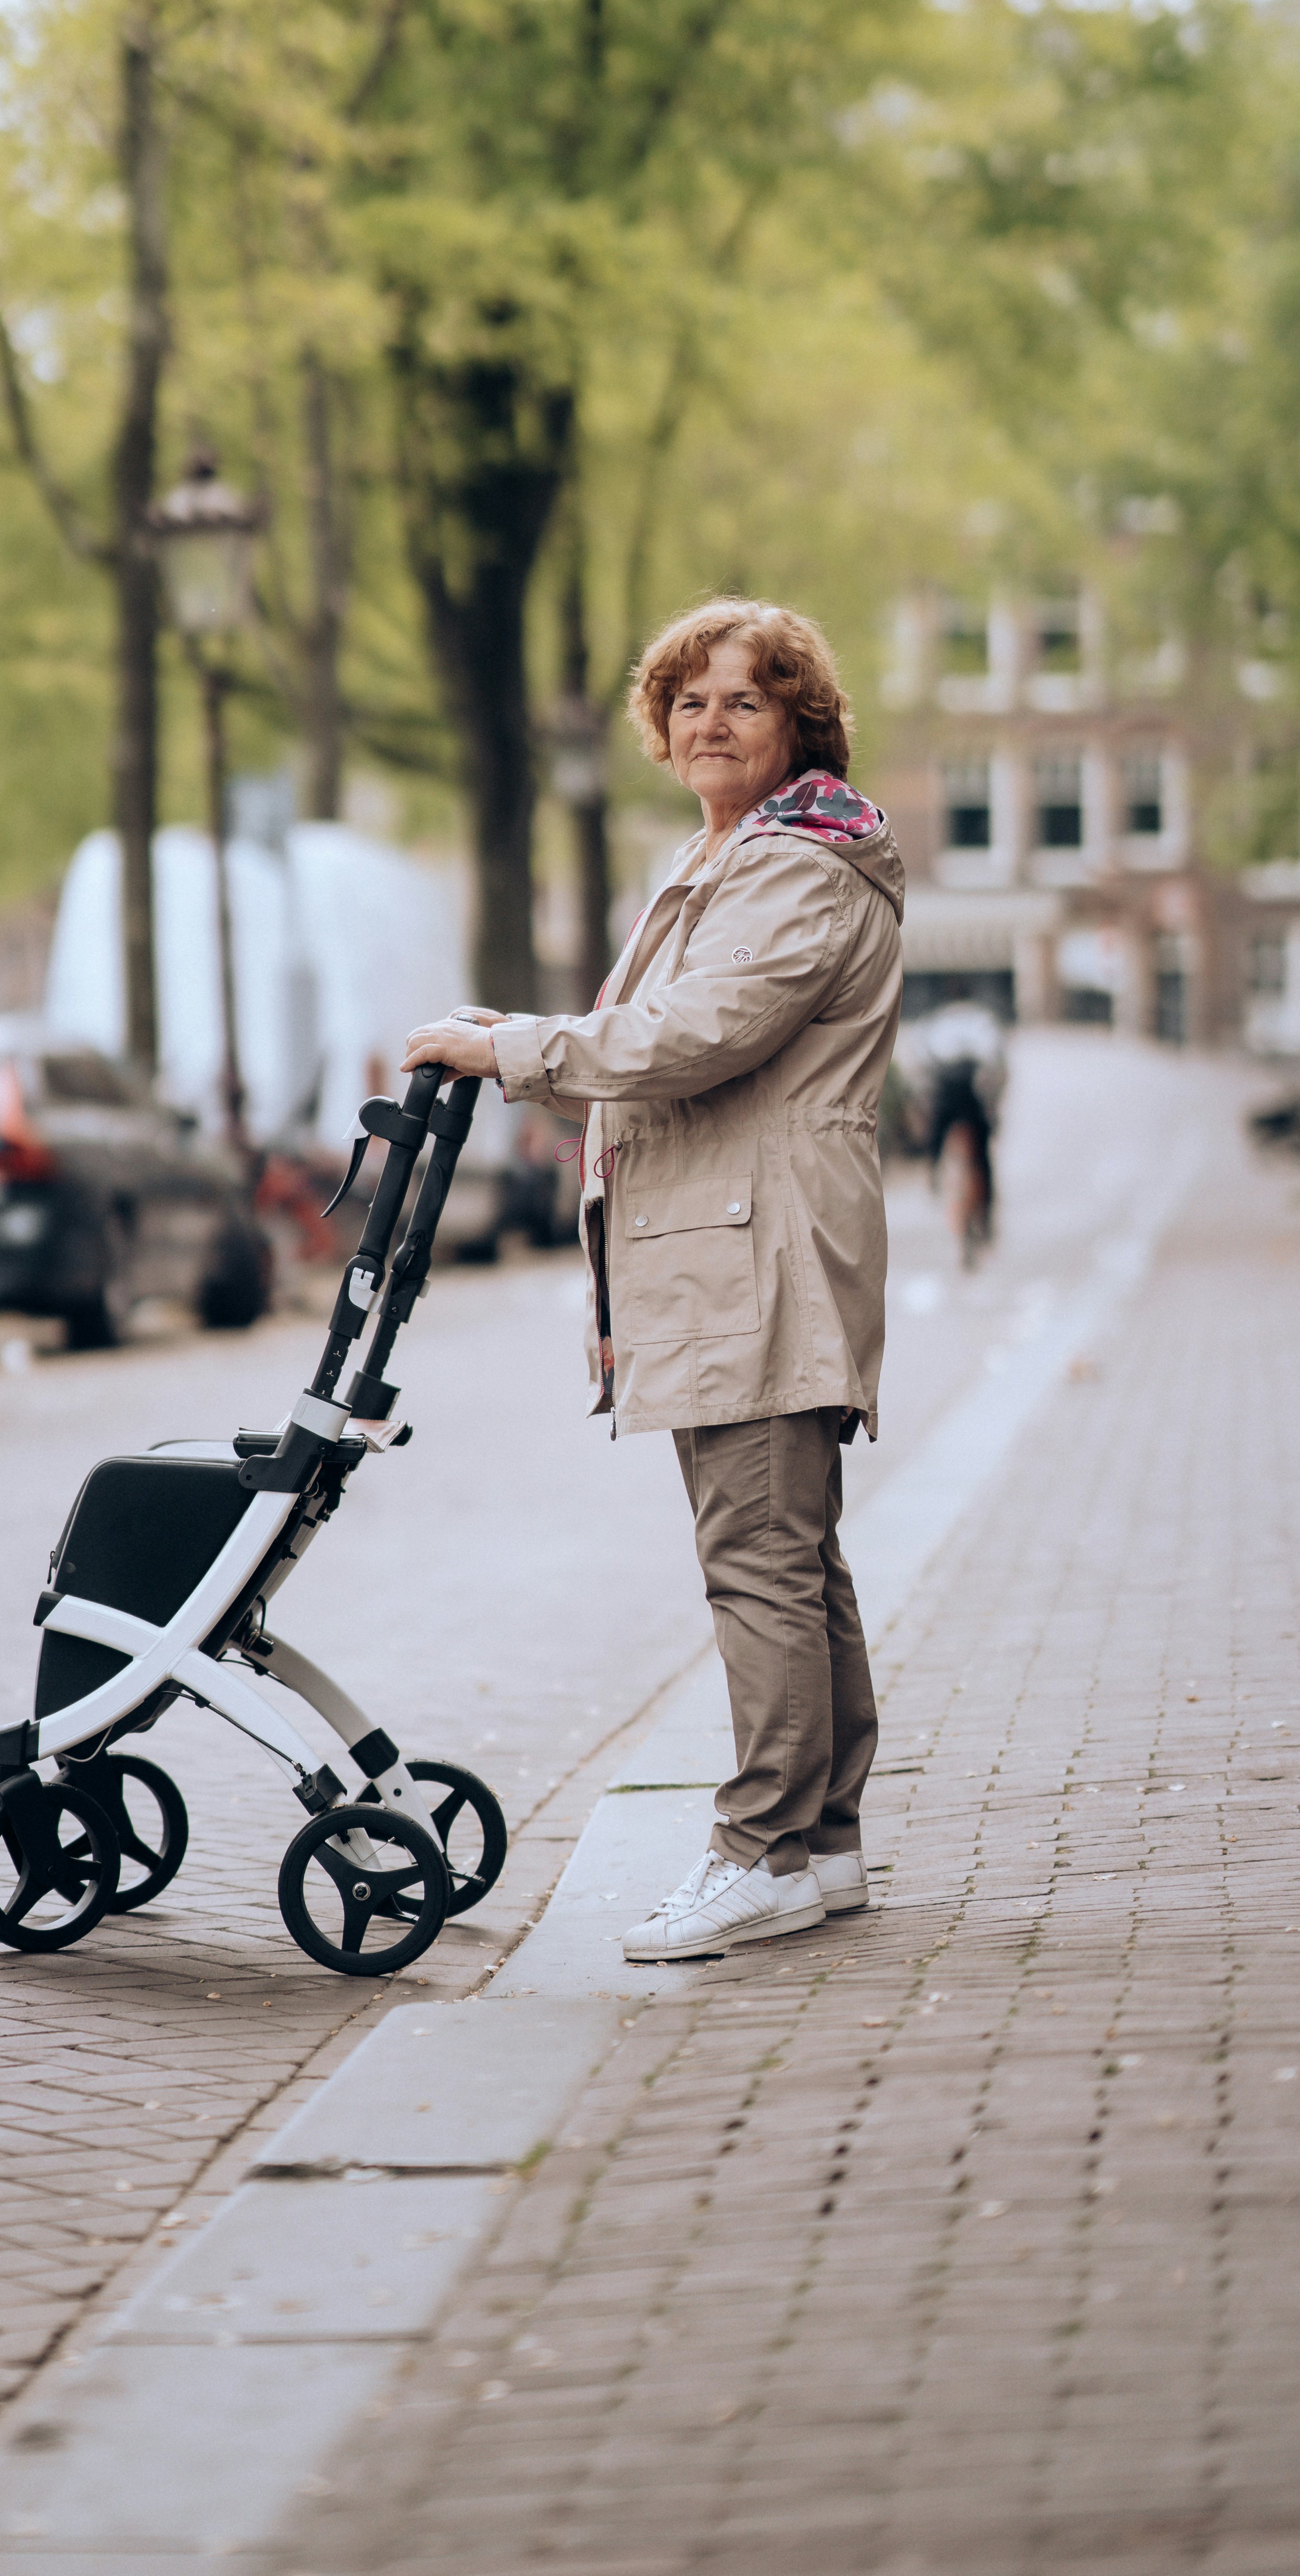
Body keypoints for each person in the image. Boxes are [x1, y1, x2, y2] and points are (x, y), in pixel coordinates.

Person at [404, 601, 905, 1961]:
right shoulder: (731, 854)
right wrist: (527, 1035)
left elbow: (695, 1034)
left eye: (743, 700)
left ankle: (759, 1847)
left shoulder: (795, 867)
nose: (708, 721)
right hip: (729, 1246)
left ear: (800, 721)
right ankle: (822, 1841)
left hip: (759, 1250)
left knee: (757, 1557)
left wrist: (518, 1054)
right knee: (792, 1556)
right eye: (686, 700)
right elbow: (659, 1034)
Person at [917, 997, 1007, 1234]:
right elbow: (997, 1066)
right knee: (983, 1155)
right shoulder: (982, 1020)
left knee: (936, 1137)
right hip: (972, 1097)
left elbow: (922, 1064)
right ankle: (987, 1215)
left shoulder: (936, 1020)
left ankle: (934, 1174)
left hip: (946, 1097)